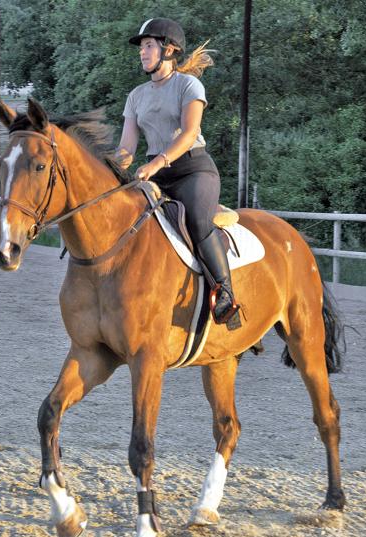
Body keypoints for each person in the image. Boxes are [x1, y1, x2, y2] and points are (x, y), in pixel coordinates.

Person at [114, 17, 240, 325]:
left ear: (168, 49)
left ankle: (225, 293)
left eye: (148, 46)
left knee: (197, 221)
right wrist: (107, 168)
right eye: (141, 47)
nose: (142, 52)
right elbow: (126, 149)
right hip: (154, 176)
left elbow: (188, 133)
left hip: (193, 170)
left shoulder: (188, 85)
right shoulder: (136, 96)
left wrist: (157, 162)